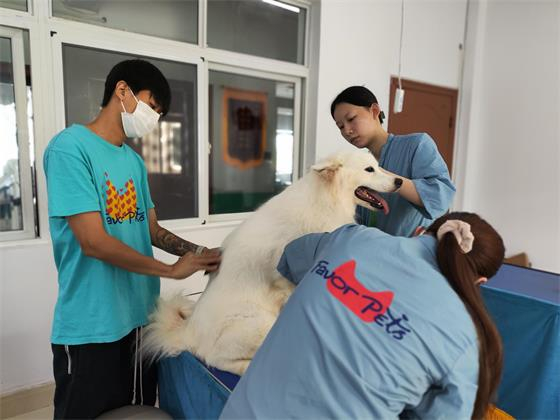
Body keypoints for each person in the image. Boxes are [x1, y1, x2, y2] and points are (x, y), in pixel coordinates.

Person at [43, 59, 221, 419]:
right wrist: (170, 271)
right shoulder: (70, 148)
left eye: (159, 114)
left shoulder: (133, 162)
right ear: (122, 90)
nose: (153, 118)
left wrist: (201, 253)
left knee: (136, 412)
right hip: (92, 325)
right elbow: (93, 242)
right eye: (151, 106)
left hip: (141, 319)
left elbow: (151, 230)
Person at [220, 212, 505, 419]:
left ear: (422, 231)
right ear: (479, 283)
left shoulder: (351, 239)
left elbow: (292, 255)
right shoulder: (464, 338)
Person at [331, 86, 456, 237]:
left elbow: (440, 199)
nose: (347, 131)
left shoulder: (417, 145)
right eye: (341, 126)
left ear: (374, 111)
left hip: (411, 248)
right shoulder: (358, 165)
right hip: (371, 248)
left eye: (351, 119)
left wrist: (384, 177)